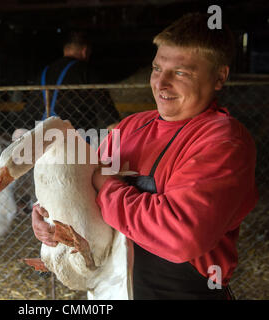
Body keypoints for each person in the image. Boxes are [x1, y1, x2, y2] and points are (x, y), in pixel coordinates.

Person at [32, 13, 259, 299]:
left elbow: (180, 237)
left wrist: (107, 184)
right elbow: (83, 187)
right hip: (111, 289)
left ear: (219, 77)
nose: (160, 84)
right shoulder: (131, 126)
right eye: (156, 69)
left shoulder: (223, 141)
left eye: (180, 73)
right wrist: (52, 218)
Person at [19, 31, 120, 133]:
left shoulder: (44, 72)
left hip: (43, 137)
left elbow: (27, 114)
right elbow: (107, 113)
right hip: (77, 137)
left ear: (65, 50)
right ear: (85, 51)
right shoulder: (86, 72)